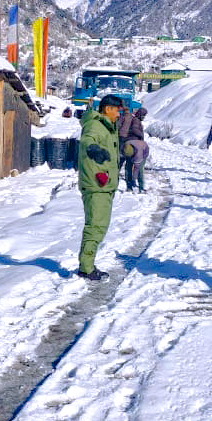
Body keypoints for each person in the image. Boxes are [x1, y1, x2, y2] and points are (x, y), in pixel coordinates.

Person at [76, 94, 123, 281]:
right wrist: (94, 149)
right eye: (117, 110)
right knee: (95, 226)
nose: (119, 114)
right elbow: (88, 140)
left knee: (99, 226)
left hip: (103, 185)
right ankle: (86, 268)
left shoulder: (107, 127)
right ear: (108, 109)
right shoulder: (96, 125)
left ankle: (88, 264)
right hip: (96, 184)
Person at [120, 107, 150, 193]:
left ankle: (129, 187)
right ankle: (140, 187)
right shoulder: (136, 120)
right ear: (140, 114)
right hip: (135, 145)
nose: (144, 117)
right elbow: (135, 129)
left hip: (128, 144)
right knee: (139, 166)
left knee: (128, 166)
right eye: (143, 115)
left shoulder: (133, 119)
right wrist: (141, 136)